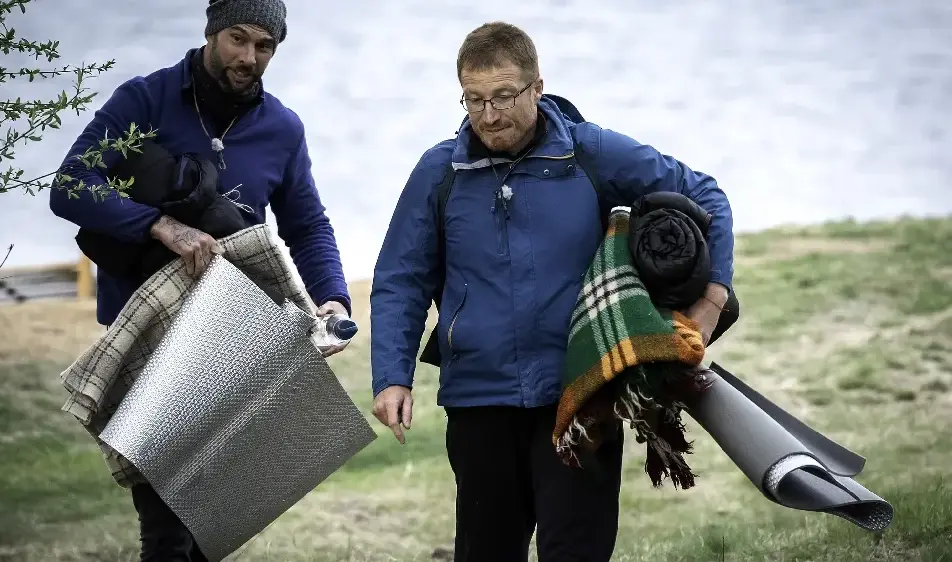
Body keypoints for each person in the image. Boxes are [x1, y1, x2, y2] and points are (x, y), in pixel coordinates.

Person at [369, 21, 736, 562]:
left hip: (581, 395)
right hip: (479, 403)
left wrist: (711, 303)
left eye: (504, 97)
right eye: (474, 100)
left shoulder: (588, 154)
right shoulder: (439, 171)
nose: (489, 115)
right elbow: (401, 279)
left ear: (537, 87)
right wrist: (391, 376)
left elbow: (707, 195)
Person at [48, 1, 352, 559]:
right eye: (238, 38)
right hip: (150, 338)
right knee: (164, 523)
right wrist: (159, 225)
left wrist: (332, 299)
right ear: (212, 30)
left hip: (232, 336)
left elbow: (307, 224)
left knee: (212, 524)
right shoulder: (145, 100)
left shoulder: (281, 128)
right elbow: (70, 185)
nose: (248, 57)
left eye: (265, 46)